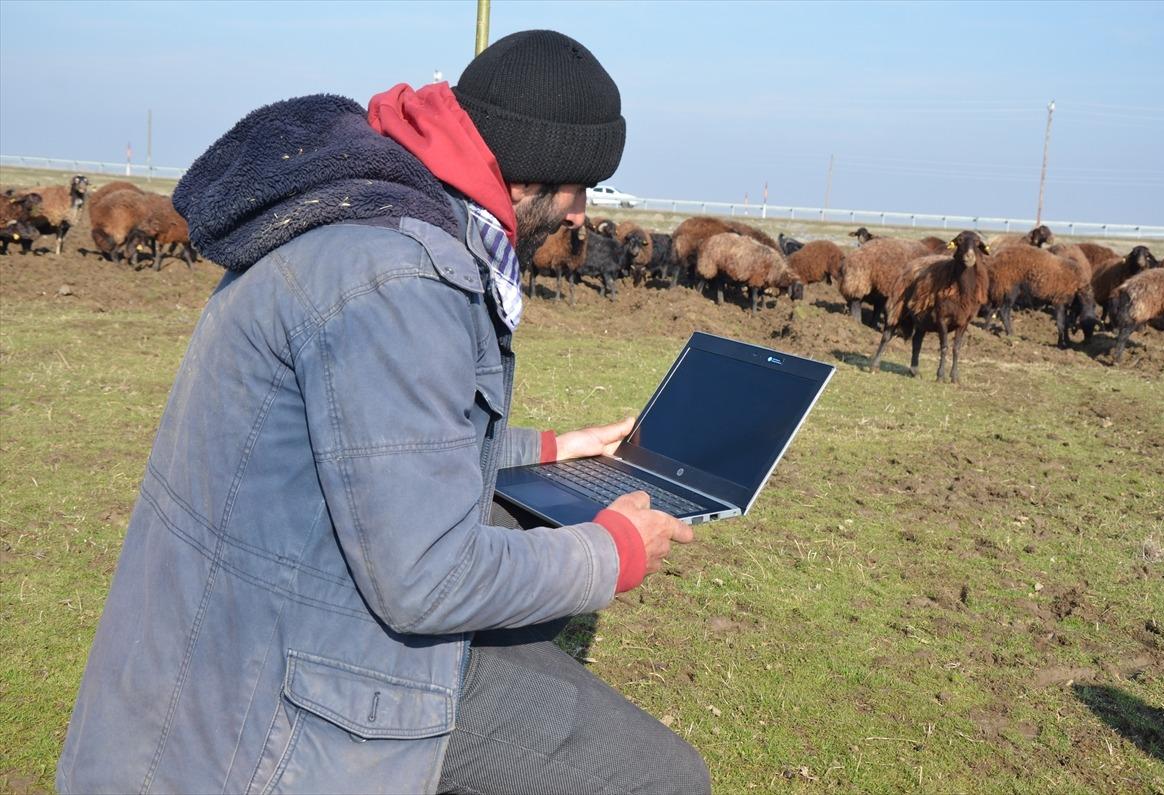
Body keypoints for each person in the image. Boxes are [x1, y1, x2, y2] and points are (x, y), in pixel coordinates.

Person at [56, 29, 710, 795]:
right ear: (531, 170)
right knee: (665, 776)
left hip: (245, 630)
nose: (581, 214)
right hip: (277, 702)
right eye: (579, 187)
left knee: (525, 575)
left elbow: (369, 438)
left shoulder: (365, 212)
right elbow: (430, 576)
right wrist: (612, 552)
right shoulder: (399, 279)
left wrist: (549, 448)